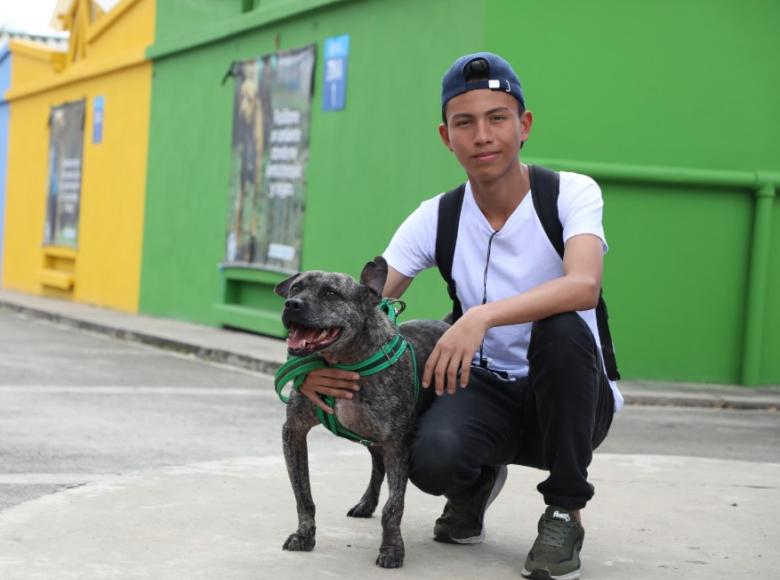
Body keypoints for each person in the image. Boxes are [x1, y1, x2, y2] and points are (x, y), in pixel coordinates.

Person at [298, 52, 622, 580]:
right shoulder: (437, 215)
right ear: (446, 137)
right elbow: (364, 308)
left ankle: (565, 511)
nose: (482, 135)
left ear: (525, 125)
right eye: (464, 122)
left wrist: (479, 318)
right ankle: (471, 487)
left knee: (561, 329)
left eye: (497, 118)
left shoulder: (570, 193)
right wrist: (312, 363)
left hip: (573, 402)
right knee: (432, 456)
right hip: (486, 391)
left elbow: (583, 285)